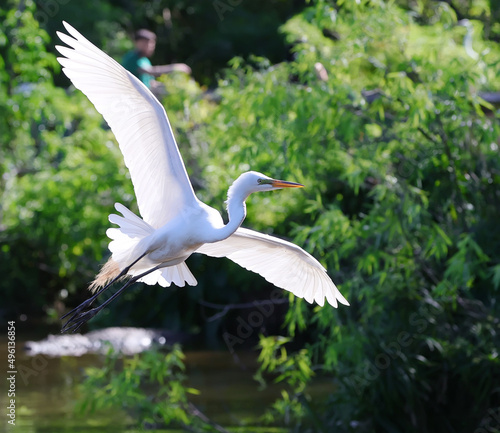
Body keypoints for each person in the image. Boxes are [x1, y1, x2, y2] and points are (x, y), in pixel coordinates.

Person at [122, 29, 191, 91]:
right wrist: (175, 68)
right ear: (139, 43)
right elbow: (150, 71)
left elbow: (150, 82)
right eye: (148, 44)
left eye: (152, 44)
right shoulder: (132, 58)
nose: (151, 47)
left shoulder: (145, 60)